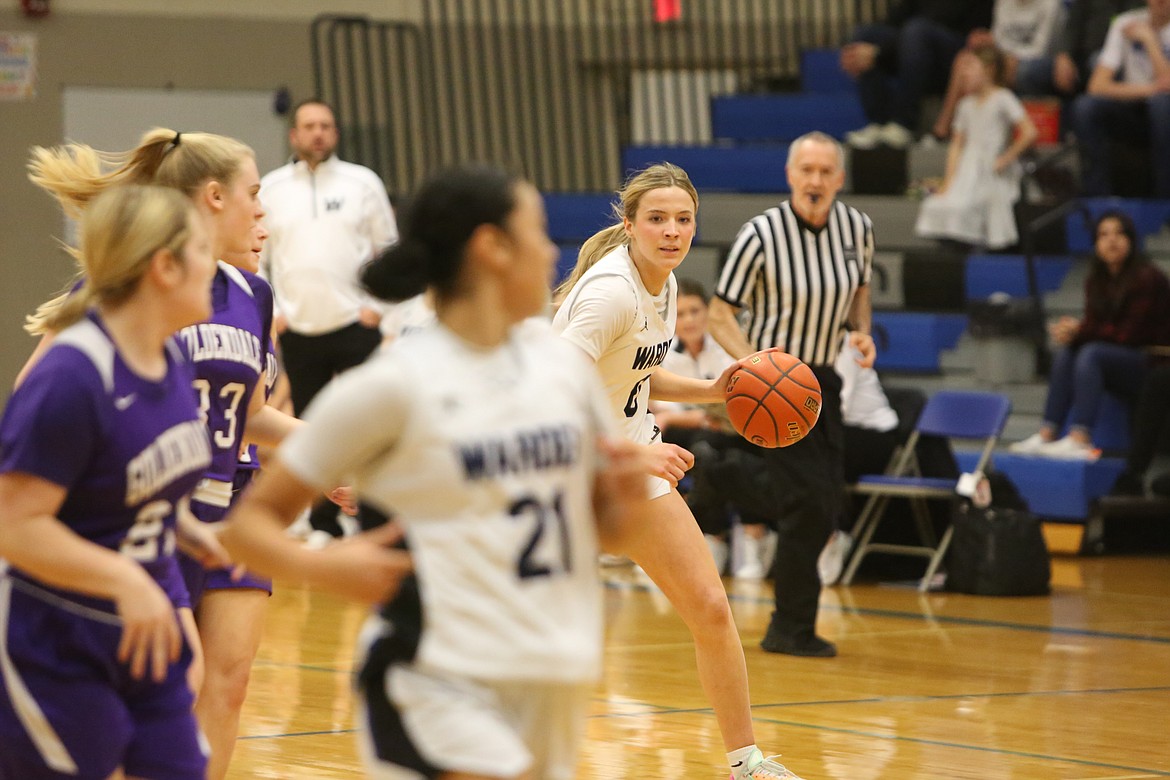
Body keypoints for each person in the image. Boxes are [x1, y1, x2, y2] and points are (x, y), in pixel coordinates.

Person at [217, 165, 648, 780]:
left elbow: (599, 527)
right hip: (436, 677)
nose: (552, 250)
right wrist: (321, 565)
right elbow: (247, 528)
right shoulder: (393, 386)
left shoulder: (561, 369)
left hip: (554, 664)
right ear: (491, 248)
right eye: (539, 232)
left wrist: (617, 499)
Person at [25, 128, 308, 780]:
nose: (264, 213)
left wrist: (331, 453)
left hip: (227, 504)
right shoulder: (123, 289)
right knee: (168, 686)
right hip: (144, 511)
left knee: (224, 684)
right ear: (213, 199)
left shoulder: (253, 295)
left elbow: (252, 414)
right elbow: (36, 396)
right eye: (254, 195)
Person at [553, 162, 803, 780]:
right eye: (657, 219)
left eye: (683, 219)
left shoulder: (662, 283)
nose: (672, 230)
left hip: (627, 467)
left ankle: (746, 764)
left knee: (711, 608)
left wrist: (714, 391)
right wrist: (636, 452)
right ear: (630, 223)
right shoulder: (610, 291)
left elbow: (636, 370)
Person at [0, 184, 226, 779]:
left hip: (146, 636)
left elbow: (127, 477)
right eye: (204, 250)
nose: (216, 265)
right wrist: (121, 576)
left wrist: (184, 526)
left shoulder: (169, 358)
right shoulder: (72, 377)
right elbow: (14, 526)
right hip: (54, 638)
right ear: (164, 267)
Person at [708, 131, 875, 658]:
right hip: (777, 383)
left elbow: (860, 290)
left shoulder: (858, 229)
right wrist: (758, 366)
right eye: (807, 170)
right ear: (790, 175)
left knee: (825, 505)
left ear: (839, 179)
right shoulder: (760, 234)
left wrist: (861, 331)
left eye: (826, 171)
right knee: (808, 502)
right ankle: (790, 626)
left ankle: (728, 477)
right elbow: (718, 314)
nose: (816, 181)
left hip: (825, 379)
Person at [259, 98, 399, 543]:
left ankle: (374, 521)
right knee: (310, 430)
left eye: (325, 125)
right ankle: (322, 523)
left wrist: (378, 308)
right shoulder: (271, 188)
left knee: (369, 427)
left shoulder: (362, 183)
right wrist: (275, 311)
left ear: (334, 134)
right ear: (294, 135)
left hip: (355, 325)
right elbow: (258, 255)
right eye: (308, 126)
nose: (317, 132)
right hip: (298, 329)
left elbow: (388, 249)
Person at [1010, 210, 1170, 458]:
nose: (1111, 241)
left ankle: (1080, 437)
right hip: (1116, 358)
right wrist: (1073, 333)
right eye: (1103, 235)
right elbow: (1096, 327)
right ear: (1096, 244)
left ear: (1131, 240)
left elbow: (1131, 335)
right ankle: (1047, 433)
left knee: (1090, 353)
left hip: (1152, 363)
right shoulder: (1096, 280)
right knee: (1069, 352)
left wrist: (1079, 331)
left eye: (1119, 234)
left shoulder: (1148, 278)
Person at [650, 279, 776, 580]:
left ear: (708, 314)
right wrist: (689, 417)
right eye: (681, 314)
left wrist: (681, 417)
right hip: (705, 436)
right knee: (701, 451)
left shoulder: (727, 351)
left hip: (744, 435)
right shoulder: (667, 353)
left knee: (716, 453)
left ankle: (731, 535)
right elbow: (660, 408)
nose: (689, 320)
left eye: (696, 311)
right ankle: (716, 536)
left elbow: (733, 411)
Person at [915, 44, 1039, 250]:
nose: (964, 74)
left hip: (993, 173)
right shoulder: (965, 105)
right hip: (967, 172)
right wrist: (949, 181)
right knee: (936, 203)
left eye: (971, 67)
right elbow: (956, 145)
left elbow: (1029, 132)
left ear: (989, 69)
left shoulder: (1003, 98)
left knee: (970, 206)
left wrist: (1005, 158)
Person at [841, 0, 995, 149]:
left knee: (917, 31)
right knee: (867, 36)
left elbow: (943, 19)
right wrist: (870, 50)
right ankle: (878, 122)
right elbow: (896, 19)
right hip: (914, 46)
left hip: (957, 52)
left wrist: (879, 54)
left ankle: (904, 124)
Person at [1070, 0, 1170, 197]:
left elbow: (1167, 84)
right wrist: (1150, 89)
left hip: (1165, 112)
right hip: (1133, 107)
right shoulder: (1127, 22)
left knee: (1161, 106)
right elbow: (1096, 85)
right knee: (1085, 107)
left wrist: (1150, 40)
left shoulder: (1145, 31)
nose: (1161, 2)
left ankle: (1164, 200)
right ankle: (1099, 199)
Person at [930, 0, 1065, 140]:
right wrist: (986, 40)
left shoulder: (1051, 4)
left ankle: (952, 131)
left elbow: (1041, 48)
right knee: (964, 59)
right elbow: (998, 39)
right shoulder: (1003, 2)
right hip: (1004, 57)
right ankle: (945, 129)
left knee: (988, 67)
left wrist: (1009, 55)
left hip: (1039, 62)